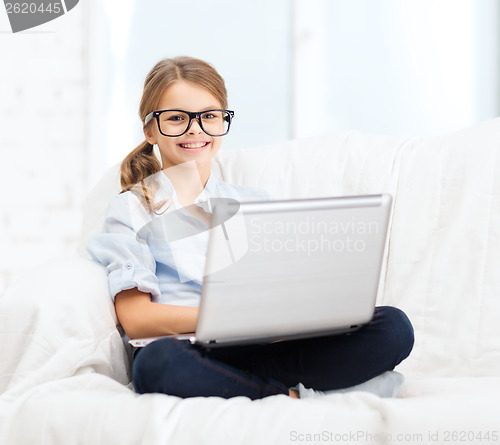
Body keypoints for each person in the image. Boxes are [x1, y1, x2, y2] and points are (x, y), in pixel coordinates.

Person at [87, 56, 414, 400]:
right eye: (177, 118)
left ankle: (244, 384)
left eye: (209, 116)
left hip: (264, 345)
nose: (195, 129)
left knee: (393, 327)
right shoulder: (130, 209)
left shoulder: (253, 203)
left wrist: (303, 312)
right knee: (157, 364)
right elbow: (136, 318)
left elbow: (281, 292)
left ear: (223, 123)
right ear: (150, 129)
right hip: (189, 347)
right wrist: (232, 318)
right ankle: (288, 396)